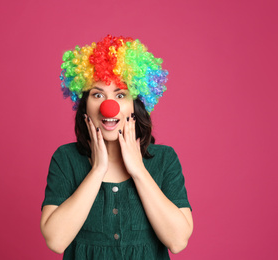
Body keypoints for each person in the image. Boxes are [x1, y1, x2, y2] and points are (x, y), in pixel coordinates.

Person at [40, 35, 193, 259]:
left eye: (120, 95)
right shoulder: (66, 159)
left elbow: (178, 241)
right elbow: (55, 240)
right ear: (85, 105)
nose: (107, 106)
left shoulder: (164, 159)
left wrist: (139, 171)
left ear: (135, 105)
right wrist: (97, 171)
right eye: (97, 94)